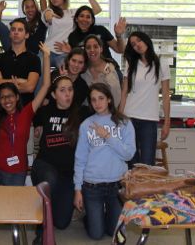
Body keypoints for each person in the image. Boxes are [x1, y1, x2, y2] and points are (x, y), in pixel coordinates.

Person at [0, 39, 51, 245]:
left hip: (17, 169)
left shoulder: (27, 113)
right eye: (2, 97)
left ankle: (16, 232)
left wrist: (46, 56)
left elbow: (45, 85)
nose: (6, 100)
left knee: (13, 204)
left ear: (17, 97)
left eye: (10, 96)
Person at [73, 83, 135, 240]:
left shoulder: (124, 122)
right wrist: (78, 189)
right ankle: (91, 217)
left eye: (101, 98)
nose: (97, 103)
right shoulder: (86, 125)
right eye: (93, 100)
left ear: (109, 99)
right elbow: (80, 159)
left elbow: (128, 154)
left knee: (113, 232)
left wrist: (108, 136)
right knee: (96, 234)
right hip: (92, 186)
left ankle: (105, 216)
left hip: (116, 185)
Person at [30, 75, 84, 244]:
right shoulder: (44, 111)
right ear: (53, 95)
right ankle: (41, 231)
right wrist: (38, 127)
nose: (67, 94)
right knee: (49, 180)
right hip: (44, 166)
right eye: (62, 90)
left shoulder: (81, 114)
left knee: (61, 223)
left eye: (70, 89)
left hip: (67, 175)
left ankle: (47, 210)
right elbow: (29, 116)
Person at [119, 31, 171, 167]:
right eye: (133, 44)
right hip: (129, 118)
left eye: (139, 41)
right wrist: (119, 118)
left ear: (146, 40)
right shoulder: (131, 65)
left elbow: (166, 95)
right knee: (131, 162)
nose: (137, 45)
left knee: (148, 163)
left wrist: (167, 122)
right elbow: (124, 92)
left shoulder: (162, 64)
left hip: (149, 120)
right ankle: (131, 189)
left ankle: (146, 189)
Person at [43, 0, 101, 68]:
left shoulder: (73, 13)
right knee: (38, 71)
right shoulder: (48, 11)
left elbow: (97, 10)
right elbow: (47, 17)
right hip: (47, 51)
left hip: (64, 53)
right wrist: (49, 14)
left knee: (66, 75)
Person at [0, 18, 41, 106]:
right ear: (10, 34)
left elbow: (30, 87)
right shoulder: (0, 57)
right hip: (2, 109)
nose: (16, 32)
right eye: (13, 29)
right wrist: (20, 81)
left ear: (26, 35)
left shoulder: (34, 59)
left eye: (20, 30)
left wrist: (1, 81)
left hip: (25, 108)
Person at [80, 35, 122, 110]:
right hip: (88, 116)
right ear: (85, 51)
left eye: (95, 47)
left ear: (101, 49)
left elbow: (116, 98)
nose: (92, 50)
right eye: (88, 47)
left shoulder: (110, 69)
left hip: (108, 114)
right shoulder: (82, 71)